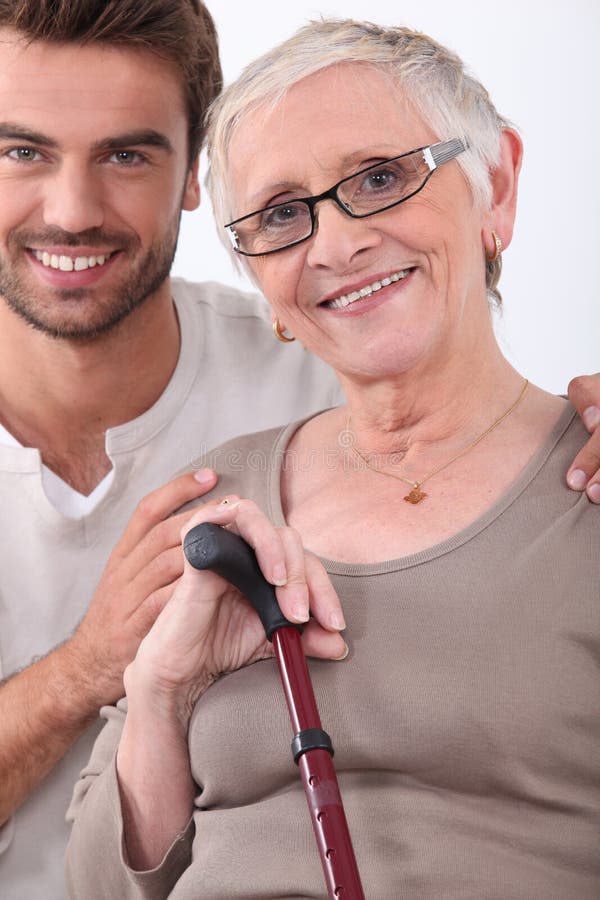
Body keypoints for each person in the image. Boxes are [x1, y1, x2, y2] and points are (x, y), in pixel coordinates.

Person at [65, 17, 600, 900]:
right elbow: (97, 887)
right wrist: (161, 689)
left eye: (381, 178)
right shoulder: (213, 505)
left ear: (495, 186)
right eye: (280, 214)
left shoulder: (584, 490)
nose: (335, 242)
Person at [0, 3, 347, 899]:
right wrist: (86, 667)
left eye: (126, 154)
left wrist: (561, 431)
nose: (72, 213)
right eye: (21, 151)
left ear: (196, 171)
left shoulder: (322, 378)